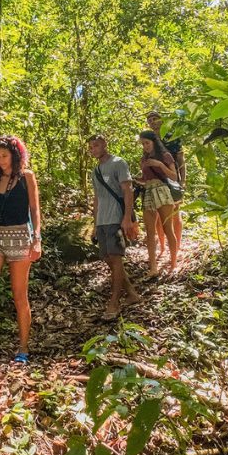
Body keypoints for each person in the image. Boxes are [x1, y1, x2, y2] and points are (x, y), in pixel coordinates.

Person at [0, 136, 42, 364]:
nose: (1, 160)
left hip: (21, 237)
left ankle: (23, 347)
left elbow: (34, 209)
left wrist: (37, 239)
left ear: (15, 155)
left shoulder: (27, 177)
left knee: (19, 295)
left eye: (5, 155)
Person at [87, 134, 142, 319]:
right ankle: (132, 294)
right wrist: (95, 224)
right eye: (91, 147)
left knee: (116, 258)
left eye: (96, 145)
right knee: (108, 259)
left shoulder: (118, 163)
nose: (93, 149)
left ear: (105, 144)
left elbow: (128, 190)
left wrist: (126, 218)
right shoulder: (95, 171)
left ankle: (114, 302)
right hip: (102, 220)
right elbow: (96, 198)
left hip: (115, 218)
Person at [138, 130, 180, 277]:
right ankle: (153, 268)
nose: (145, 146)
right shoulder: (144, 159)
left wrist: (160, 165)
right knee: (149, 232)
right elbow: (145, 179)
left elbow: (174, 176)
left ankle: (173, 263)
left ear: (154, 142)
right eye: (143, 144)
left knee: (167, 228)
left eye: (147, 143)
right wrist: (134, 180)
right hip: (148, 192)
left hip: (162, 191)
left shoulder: (165, 155)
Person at [146, 111, 185, 266]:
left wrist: (182, 181)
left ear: (161, 120)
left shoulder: (171, 136)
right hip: (156, 182)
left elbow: (181, 159)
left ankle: (177, 247)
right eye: (150, 120)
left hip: (172, 179)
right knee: (158, 214)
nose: (152, 122)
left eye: (154, 119)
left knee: (174, 213)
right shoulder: (149, 140)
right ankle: (162, 247)